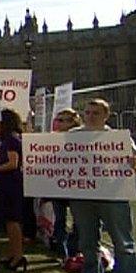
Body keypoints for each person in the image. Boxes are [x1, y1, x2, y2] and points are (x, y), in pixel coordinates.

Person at [70, 99, 136, 273]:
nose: (90, 116)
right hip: (82, 196)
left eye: (95, 113)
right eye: (87, 112)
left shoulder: (118, 138)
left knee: (122, 241)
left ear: (106, 116)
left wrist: (133, 166)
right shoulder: (72, 137)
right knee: (87, 239)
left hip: (113, 195)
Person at [0, 109, 27, 272]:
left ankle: (18, 256)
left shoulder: (11, 139)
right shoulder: (10, 140)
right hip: (9, 184)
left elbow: (13, 164)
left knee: (13, 221)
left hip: (11, 184)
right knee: (9, 222)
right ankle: (13, 253)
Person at [49, 109, 82, 259]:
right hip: (57, 186)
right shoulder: (51, 139)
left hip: (76, 187)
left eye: (63, 120)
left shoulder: (82, 138)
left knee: (78, 221)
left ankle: (74, 251)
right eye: (58, 119)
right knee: (60, 220)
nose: (59, 122)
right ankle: (62, 253)